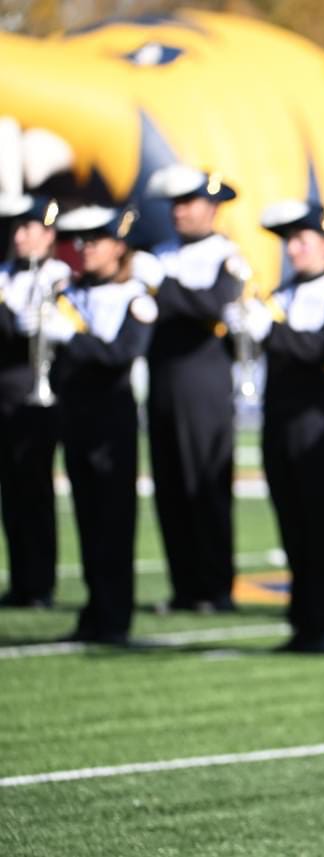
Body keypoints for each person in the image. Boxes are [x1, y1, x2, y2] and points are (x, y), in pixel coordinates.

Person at [226, 200, 324, 653]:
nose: (294, 249)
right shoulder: (280, 295)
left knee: (319, 526)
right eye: (290, 242)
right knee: (291, 526)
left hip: (317, 425)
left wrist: (270, 330)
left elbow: (322, 351)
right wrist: (240, 331)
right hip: (278, 422)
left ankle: (323, 623)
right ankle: (301, 621)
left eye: (302, 240)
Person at [33, 205, 159, 644]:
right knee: (86, 518)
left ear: (118, 247)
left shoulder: (135, 298)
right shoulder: (69, 293)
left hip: (112, 420)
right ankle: (93, 609)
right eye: (80, 242)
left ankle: (114, 615)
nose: (85, 250)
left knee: (113, 519)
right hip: (76, 416)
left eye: (95, 241)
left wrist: (71, 337)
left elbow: (121, 355)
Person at [144, 165, 241, 614]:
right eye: (175, 204)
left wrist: (164, 287)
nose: (179, 212)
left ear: (212, 207)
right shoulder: (161, 252)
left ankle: (215, 586)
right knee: (170, 486)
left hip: (203, 380)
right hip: (163, 378)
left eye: (188, 203)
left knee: (205, 482)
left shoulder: (226, 254)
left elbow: (212, 304)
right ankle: (185, 586)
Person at [0, 194, 65, 608]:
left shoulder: (58, 276)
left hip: (35, 395)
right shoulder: (5, 273)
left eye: (31, 228)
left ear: (48, 234)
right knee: (10, 491)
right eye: (17, 228)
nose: (21, 236)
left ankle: (40, 581)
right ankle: (21, 579)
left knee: (35, 487)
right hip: (3, 394)